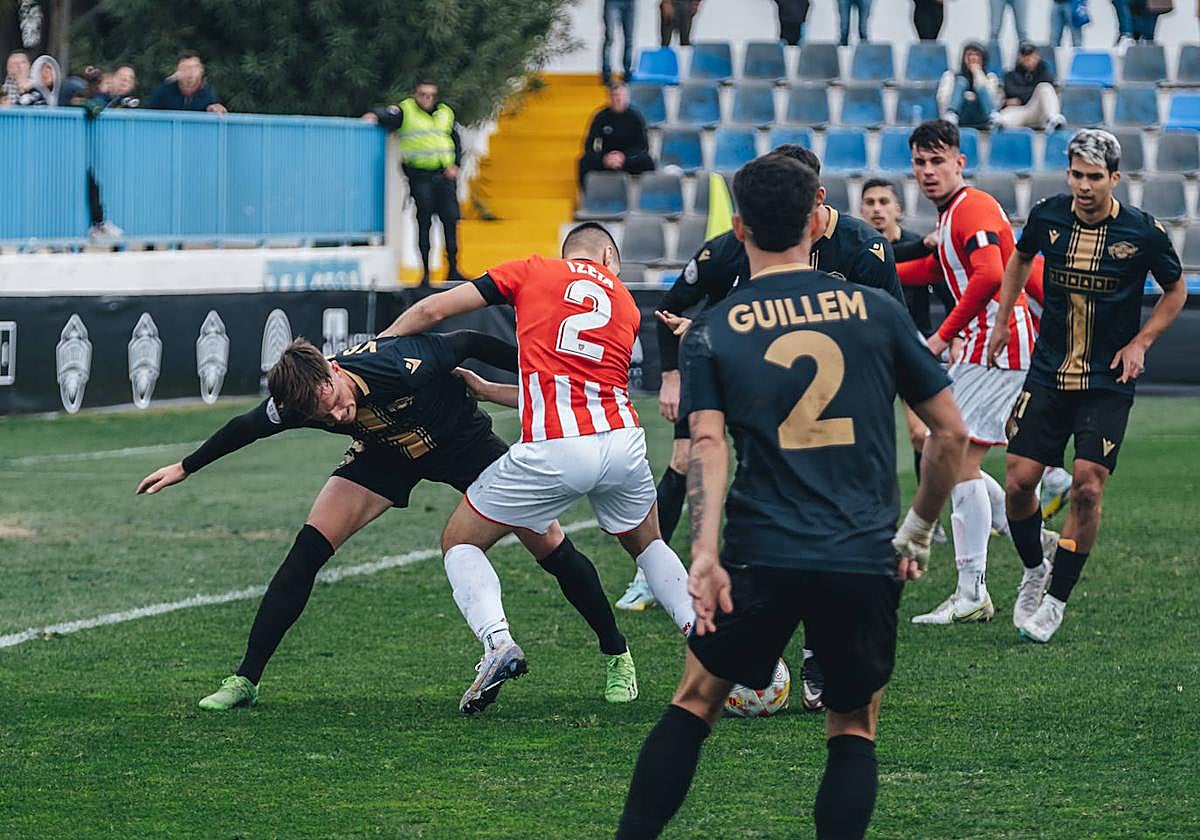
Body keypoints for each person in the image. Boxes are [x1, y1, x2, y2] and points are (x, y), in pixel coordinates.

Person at [613, 153, 967, 840]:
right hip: (863, 551)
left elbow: (707, 448)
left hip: (760, 550)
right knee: (853, 726)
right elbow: (950, 435)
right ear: (817, 219)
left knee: (693, 703)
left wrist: (705, 554)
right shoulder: (877, 311)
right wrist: (919, 530)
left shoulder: (715, 328)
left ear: (739, 228)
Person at [137, 331, 639, 711]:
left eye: (333, 401)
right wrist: (185, 467)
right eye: (321, 415)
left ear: (332, 370)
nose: (334, 416)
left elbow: (466, 341)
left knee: (550, 546)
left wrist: (541, 367)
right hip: (387, 454)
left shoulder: (398, 363)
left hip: (464, 445)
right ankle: (246, 679)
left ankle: (617, 655)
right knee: (307, 550)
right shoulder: (301, 400)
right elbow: (246, 427)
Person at [626, 145, 904, 715]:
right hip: (747, 396)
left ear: (817, 197)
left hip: (829, 414)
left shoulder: (864, 249)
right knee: (700, 470)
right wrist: (675, 375)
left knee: (816, 523)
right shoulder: (734, 246)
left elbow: (892, 328)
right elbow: (670, 311)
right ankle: (659, 577)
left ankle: (814, 660)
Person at [377, 223, 697, 714]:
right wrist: (487, 390)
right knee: (648, 544)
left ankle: (497, 642)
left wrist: (373, 355)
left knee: (460, 541)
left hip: (555, 451)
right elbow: (575, 390)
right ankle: (706, 637)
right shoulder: (627, 305)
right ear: (609, 258)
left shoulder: (532, 270)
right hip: (622, 443)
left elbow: (431, 309)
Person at [988, 129, 1187, 642]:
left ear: (1115, 179)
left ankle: (1055, 601)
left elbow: (1175, 289)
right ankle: (1035, 568)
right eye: (1075, 174)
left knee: (1087, 487)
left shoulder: (1144, 232)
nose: (1082, 185)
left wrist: (1141, 342)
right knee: (1018, 481)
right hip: (1049, 372)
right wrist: (1003, 318)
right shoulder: (1049, 215)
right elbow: (1018, 258)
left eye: (1093, 177)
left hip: (1106, 381)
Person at [897, 119, 1048, 626]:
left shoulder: (973, 207)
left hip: (996, 346)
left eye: (938, 161)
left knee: (954, 455)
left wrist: (942, 335)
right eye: (920, 162)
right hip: (989, 347)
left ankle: (972, 591)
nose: (928, 171)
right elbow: (937, 270)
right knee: (956, 456)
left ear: (960, 162)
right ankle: (1030, 535)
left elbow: (987, 274)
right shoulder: (955, 214)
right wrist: (870, 272)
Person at [363, 81, 465, 287]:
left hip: (444, 177)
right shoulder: (406, 111)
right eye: (422, 94)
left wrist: (456, 165)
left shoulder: (445, 113)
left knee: (450, 222)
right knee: (424, 222)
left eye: (431, 95)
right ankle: (425, 273)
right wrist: (374, 116)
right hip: (421, 177)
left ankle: (453, 268)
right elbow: (386, 114)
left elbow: (455, 139)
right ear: (415, 95)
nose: (427, 99)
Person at [578, 84, 656, 187]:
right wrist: (604, 158)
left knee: (648, 163)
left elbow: (643, 146)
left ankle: (647, 197)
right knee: (583, 162)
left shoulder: (635, 117)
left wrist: (624, 157)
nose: (617, 99)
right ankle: (588, 195)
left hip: (628, 159)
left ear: (627, 98)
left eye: (620, 96)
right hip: (606, 158)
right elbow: (589, 145)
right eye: (614, 95)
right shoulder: (601, 117)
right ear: (609, 98)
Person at [997, 43, 1066, 132]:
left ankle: (1054, 120)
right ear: (1020, 58)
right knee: (1004, 117)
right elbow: (1011, 91)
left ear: (1037, 57)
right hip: (1020, 111)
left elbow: (1046, 89)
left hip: (1039, 111)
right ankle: (1000, 125)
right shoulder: (1010, 75)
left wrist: (1020, 97)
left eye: (1031, 55)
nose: (1028, 59)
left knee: (1044, 87)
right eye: (1025, 56)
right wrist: (1031, 91)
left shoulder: (1045, 72)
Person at [938, 42, 1001, 130]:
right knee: (961, 81)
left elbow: (994, 100)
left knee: (981, 88)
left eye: (977, 55)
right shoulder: (951, 75)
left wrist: (977, 73)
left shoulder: (990, 77)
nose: (973, 58)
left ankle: (994, 119)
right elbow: (943, 100)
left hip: (982, 117)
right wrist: (962, 97)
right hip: (960, 117)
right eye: (969, 54)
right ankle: (952, 114)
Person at [146, 51, 226, 113]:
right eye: (185, 68)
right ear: (177, 71)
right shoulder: (164, 91)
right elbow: (149, 115)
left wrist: (216, 108)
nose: (190, 72)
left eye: (195, 67)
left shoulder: (208, 93)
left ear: (201, 70)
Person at [602, 0, 636, 86]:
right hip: (612, 2)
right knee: (609, 38)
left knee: (629, 40)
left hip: (629, 3)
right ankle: (606, 74)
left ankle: (627, 72)